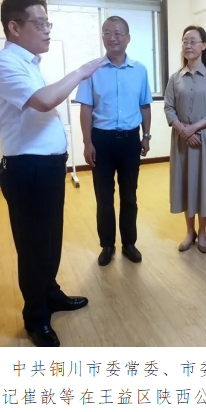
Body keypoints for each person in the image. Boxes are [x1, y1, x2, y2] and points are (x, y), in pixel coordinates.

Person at [0, 0, 105, 347]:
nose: (47, 30)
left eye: (47, 23)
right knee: (33, 246)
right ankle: (36, 318)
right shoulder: (3, 63)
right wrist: (81, 71)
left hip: (48, 168)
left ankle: (50, 294)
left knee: (50, 240)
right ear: (14, 27)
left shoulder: (31, 63)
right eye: (40, 24)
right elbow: (44, 101)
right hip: (27, 169)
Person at [76, 16, 153, 266]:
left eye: (118, 33)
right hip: (102, 141)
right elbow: (86, 108)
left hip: (130, 140)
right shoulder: (92, 70)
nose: (112, 37)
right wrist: (87, 142)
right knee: (104, 196)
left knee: (129, 195)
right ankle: (107, 245)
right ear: (102, 37)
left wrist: (146, 136)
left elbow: (145, 105)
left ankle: (129, 243)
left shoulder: (140, 70)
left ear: (128, 38)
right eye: (107, 32)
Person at [164, 26, 206, 253]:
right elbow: (168, 108)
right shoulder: (175, 78)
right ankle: (189, 231)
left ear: (204, 45)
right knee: (185, 183)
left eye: (193, 41)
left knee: (203, 184)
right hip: (182, 140)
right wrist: (183, 130)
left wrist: (193, 129)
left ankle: (202, 232)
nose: (188, 45)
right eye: (185, 41)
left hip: (205, 139)